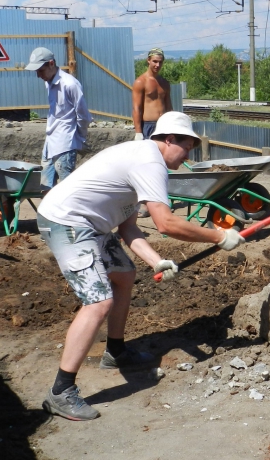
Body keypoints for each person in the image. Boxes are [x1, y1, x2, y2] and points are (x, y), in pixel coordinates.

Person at [36, 111, 246, 421]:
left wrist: (156, 261)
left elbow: (128, 229)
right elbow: (166, 223)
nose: (188, 155)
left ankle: (116, 351)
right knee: (98, 301)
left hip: (91, 225)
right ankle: (60, 391)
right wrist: (218, 236)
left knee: (124, 274)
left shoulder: (143, 160)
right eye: (186, 146)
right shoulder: (149, 162)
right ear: (169, 139)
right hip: (66, 222)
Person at [25, 47, 92, 188]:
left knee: (65, 189)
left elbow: (83, 116)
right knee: (44, 187)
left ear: (51, 63)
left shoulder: (70, 84)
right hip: (50, 142)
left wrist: (81, 139)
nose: (38, 75)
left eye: (40, 71)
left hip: (65, 144)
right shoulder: (48, 82)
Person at [132, 47, 173, 218]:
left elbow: (168, 105)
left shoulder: (164, 83)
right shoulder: (141, 82)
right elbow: (136, 107)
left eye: (160, 62)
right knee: (147, 165)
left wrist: (173, 124)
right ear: (148, 60)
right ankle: (144, 204)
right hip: (147, 126)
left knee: (163, 164)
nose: (157, 65)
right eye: (154, 61)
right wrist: (138, 132)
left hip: (163, 126)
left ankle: (161, 200)